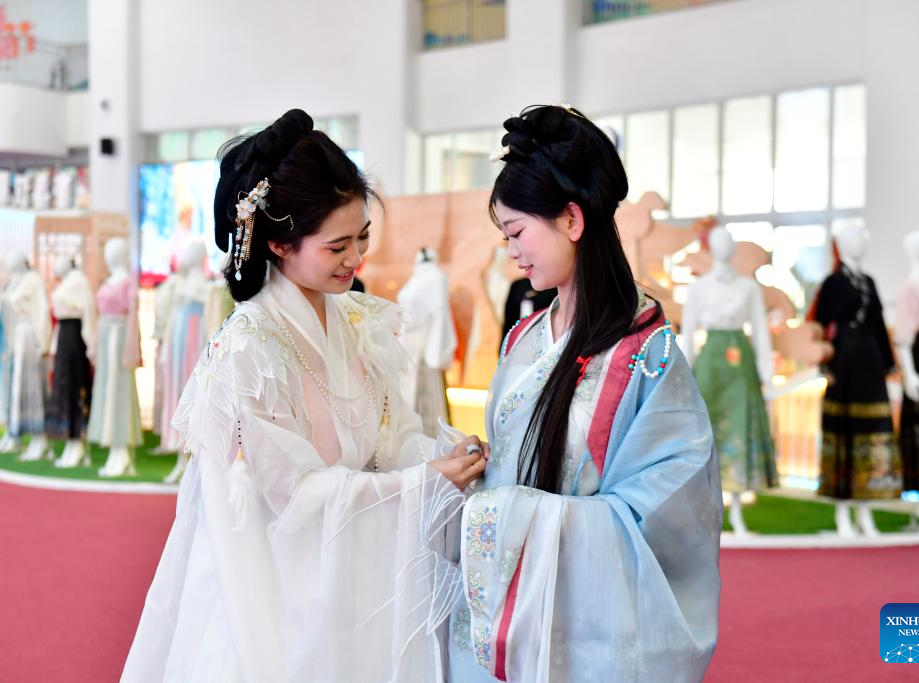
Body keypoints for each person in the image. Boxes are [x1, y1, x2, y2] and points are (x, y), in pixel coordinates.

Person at [122, 110, 487, 682]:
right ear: (277, 242)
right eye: (337, 245)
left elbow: (391, 436)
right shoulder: (249, 350)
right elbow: (290, 496)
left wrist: (442, 458)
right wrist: (417, 484)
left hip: (357, 573)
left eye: (363, 238)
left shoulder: (357, 321)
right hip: (278, 593)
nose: (356, 260)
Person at [447, 105, 722, 681]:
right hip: (518, 608)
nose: (511, 251)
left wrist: (521, 514)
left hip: (591, 630)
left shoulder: (644, 351)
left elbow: (667, 509)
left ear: (571, 220)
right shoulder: (523, 337)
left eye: (517, 232)